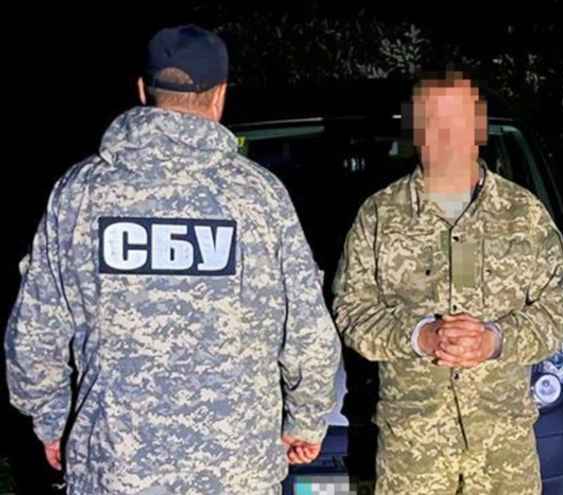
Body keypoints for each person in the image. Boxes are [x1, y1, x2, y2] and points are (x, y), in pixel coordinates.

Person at [4, 25, 341, 494]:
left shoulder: (81, 192)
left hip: (115, 469)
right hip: (236, 473)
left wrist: (52, 419)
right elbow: (308, 334)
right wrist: (305, 421)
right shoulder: (259, 198)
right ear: (220, 95)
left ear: (143, 91)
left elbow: (34, 334)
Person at [332, 71, 563, 494]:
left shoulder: (524, 215)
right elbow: (351, 311)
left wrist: (495, 339)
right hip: (414, 452)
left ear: (478, 128)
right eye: (431, 121)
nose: (444, 135)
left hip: (503, 451)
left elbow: (557, 308)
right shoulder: (379, 216)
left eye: (457, 121)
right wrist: (418, 336)